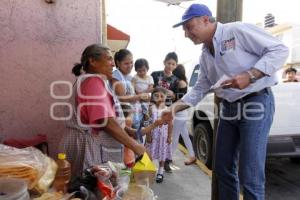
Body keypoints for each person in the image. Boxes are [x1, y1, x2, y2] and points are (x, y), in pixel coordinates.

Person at [170, 4, 289, 200]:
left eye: (189, 27)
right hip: (228, 108)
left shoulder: (236, 30)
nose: (186, 34)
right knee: (222, 168)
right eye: (184, 29)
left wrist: (251, 75)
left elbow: (279, 49)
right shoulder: (205, 54)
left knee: (250, 175)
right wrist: (173, 108)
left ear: (205, 19)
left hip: (255, 102)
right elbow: (200, 88)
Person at [60, 44, 145, 178]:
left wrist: (127, 130)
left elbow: (103, 116)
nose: (113, 64)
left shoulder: (91, 80)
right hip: (88, 146)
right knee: (93, 188)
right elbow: (105, 121)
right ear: (92, 61)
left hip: (85, 142)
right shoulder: (93, 81)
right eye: (109, 59)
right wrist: (136, 146)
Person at [151, 52, 179, 172]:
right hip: (154, 107)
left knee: (165, 136)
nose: (170, 66)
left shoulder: (175, 79)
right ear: (164, 62)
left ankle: (166, 163)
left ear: (176, 66)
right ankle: (149, 163)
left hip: (166, 109)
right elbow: (150, 89)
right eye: (168, 63)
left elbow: (175, 97)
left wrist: (172, 95)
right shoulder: (155, 74)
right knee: (152, 135)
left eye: (173, 64)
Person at [111, 49, 149, 131]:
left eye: (131, 62)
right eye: (126, 63)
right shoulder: (116, 76)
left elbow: (134, 93)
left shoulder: (130, 77)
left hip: (136, 115)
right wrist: (139, 96)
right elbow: (121, 98)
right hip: (124, 117)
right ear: (118, 63)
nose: (130, 65)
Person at [145, 87, 173, 183]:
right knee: (149, 153)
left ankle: (161, 171)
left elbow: (170, 124)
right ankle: (149, 170)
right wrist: (148, 135)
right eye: (156, 96)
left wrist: (169, 136)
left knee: (162, 153)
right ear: (152, 97)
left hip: (163, 137)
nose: (159, 98)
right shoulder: (150, 108)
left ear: (166, 97)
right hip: (153, 135)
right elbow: (147, 123)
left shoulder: (168, 109)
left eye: (162, 96)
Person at [171, 64, 197, 165]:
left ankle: (169, 157)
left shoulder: (180, 83)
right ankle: (192, 155)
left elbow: (178, 100)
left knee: (175, 136)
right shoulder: (183, 82)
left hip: (180, 113)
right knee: (185, 135)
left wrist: (172, 97)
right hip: (182, 113)